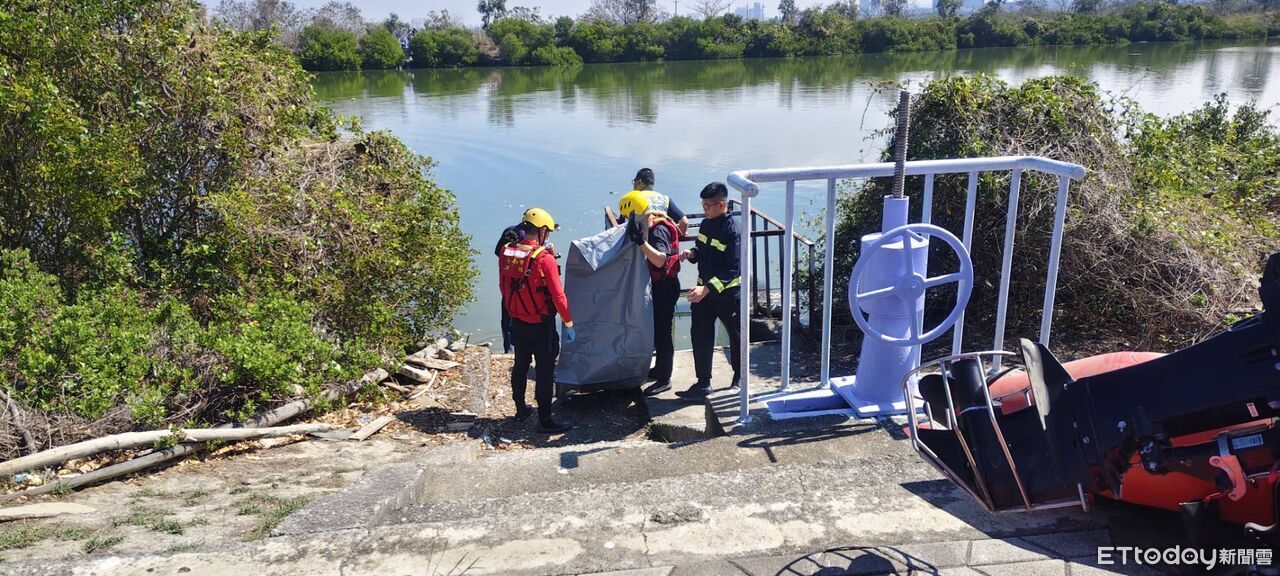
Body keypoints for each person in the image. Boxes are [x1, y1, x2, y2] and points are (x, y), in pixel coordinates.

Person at [498, 208, 575, 433]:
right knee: (544, 372)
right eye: (547, 232)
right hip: (542, 326)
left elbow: (503, 286)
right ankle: (545, 420)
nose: (547, 236)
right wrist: (569, 324)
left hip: (517, 322)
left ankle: (520, 409)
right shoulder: (544, 259)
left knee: (520, 366)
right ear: (541, 231)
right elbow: (558, 296)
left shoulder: (506, 251)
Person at [678, 182, 741, 400]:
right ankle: (703, 383)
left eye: (708, 206)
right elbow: (703, 249)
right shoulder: (706, 224)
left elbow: (732, 269)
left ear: (722, 205)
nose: (704, 210)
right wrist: (693, 254)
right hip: (703, 292)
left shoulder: (733, 231)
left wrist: (707, 288)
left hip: (727, 295)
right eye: (702, 206)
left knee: (736, 336)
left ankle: (740, 379)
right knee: (700, 335)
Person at [618, 192, 683, 397]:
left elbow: (661, 260)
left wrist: (641, 242)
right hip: (659, 285)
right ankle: (659, 368)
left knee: (663, 334)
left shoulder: (658, 229)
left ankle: (665, 379)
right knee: (656, 331)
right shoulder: (650, 224)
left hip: (665, 286)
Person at [621, 168, 689, 235]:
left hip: (641, 239)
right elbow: (684, 222)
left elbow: (621, 225)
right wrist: (678, 236)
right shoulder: (665, 199)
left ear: (639, 182)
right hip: (663, 236)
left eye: (634, 182)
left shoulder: (633, 198)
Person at [494, 223, 525, 354]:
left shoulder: (510, 230)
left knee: (507, 319)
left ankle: (509, 349)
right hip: (524, 285)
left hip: (508, 283)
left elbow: (498, 251)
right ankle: (521, 349)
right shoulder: (531, 235)